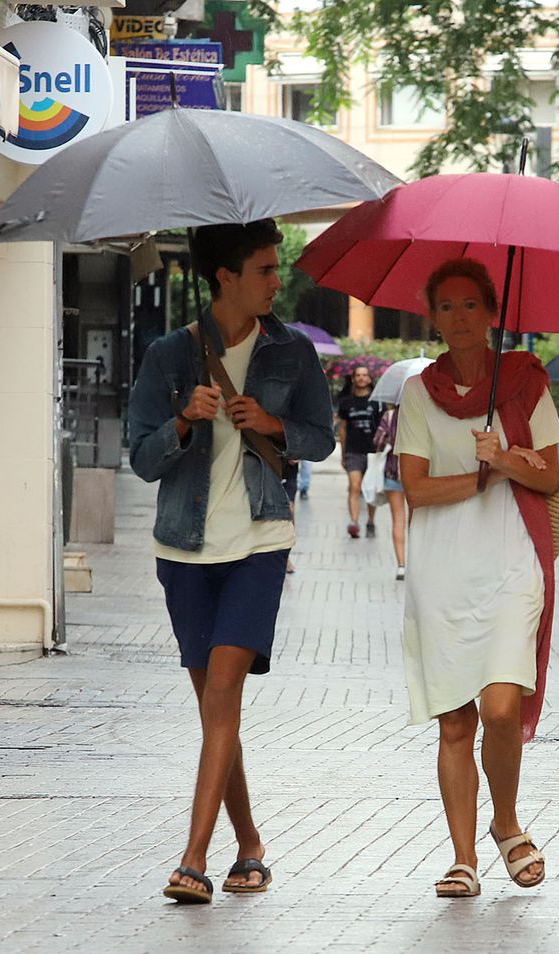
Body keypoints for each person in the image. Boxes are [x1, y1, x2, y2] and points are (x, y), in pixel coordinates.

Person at [126, 219, 335, 904]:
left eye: (278, 269)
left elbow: (320, 440)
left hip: (258, 543)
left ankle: (193, 859)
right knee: (218, 709)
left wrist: (274, 426)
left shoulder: (293, 354)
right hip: (183, 548)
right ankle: (250, 843)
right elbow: (142, 457)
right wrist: (184, 419)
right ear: (226, 276)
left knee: (222, 693)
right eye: (267, 270)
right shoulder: (169, 355)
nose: (279, 281)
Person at [395, 258, 559, 899]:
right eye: (446, 307)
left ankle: (506, 820)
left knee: (500, 707)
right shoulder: (419, 391)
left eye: (471, 305)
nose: (459, 318)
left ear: (491, 312)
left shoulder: (525, 383)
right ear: (432, 317)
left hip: (511, 562)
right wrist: (482, 475)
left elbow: (550, 476)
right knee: (455, 723)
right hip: (441, 570)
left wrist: (509, 459)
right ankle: (464, 857)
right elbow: (415, 487)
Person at [337, 365, 382, 538]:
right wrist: (343, 454)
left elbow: (383, 427)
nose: (362, 378)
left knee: (370, 488)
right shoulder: (346, 403)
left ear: (370, 379)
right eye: (358, 375)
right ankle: (354, 522)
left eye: (365, 375)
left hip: (373, 452)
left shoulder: (377, 402)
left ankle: (370, 520)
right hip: (353, 451)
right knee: (354, 487)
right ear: (353, 379)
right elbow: (342, 429)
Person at [373, 403, 408, 580]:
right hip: (419, 475)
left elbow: (377, 442)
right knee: (417, 521)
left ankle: (401, 565)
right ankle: (416, 562)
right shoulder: (426, 413)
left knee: (398, 519)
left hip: (393, 473)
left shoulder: (390, 416)